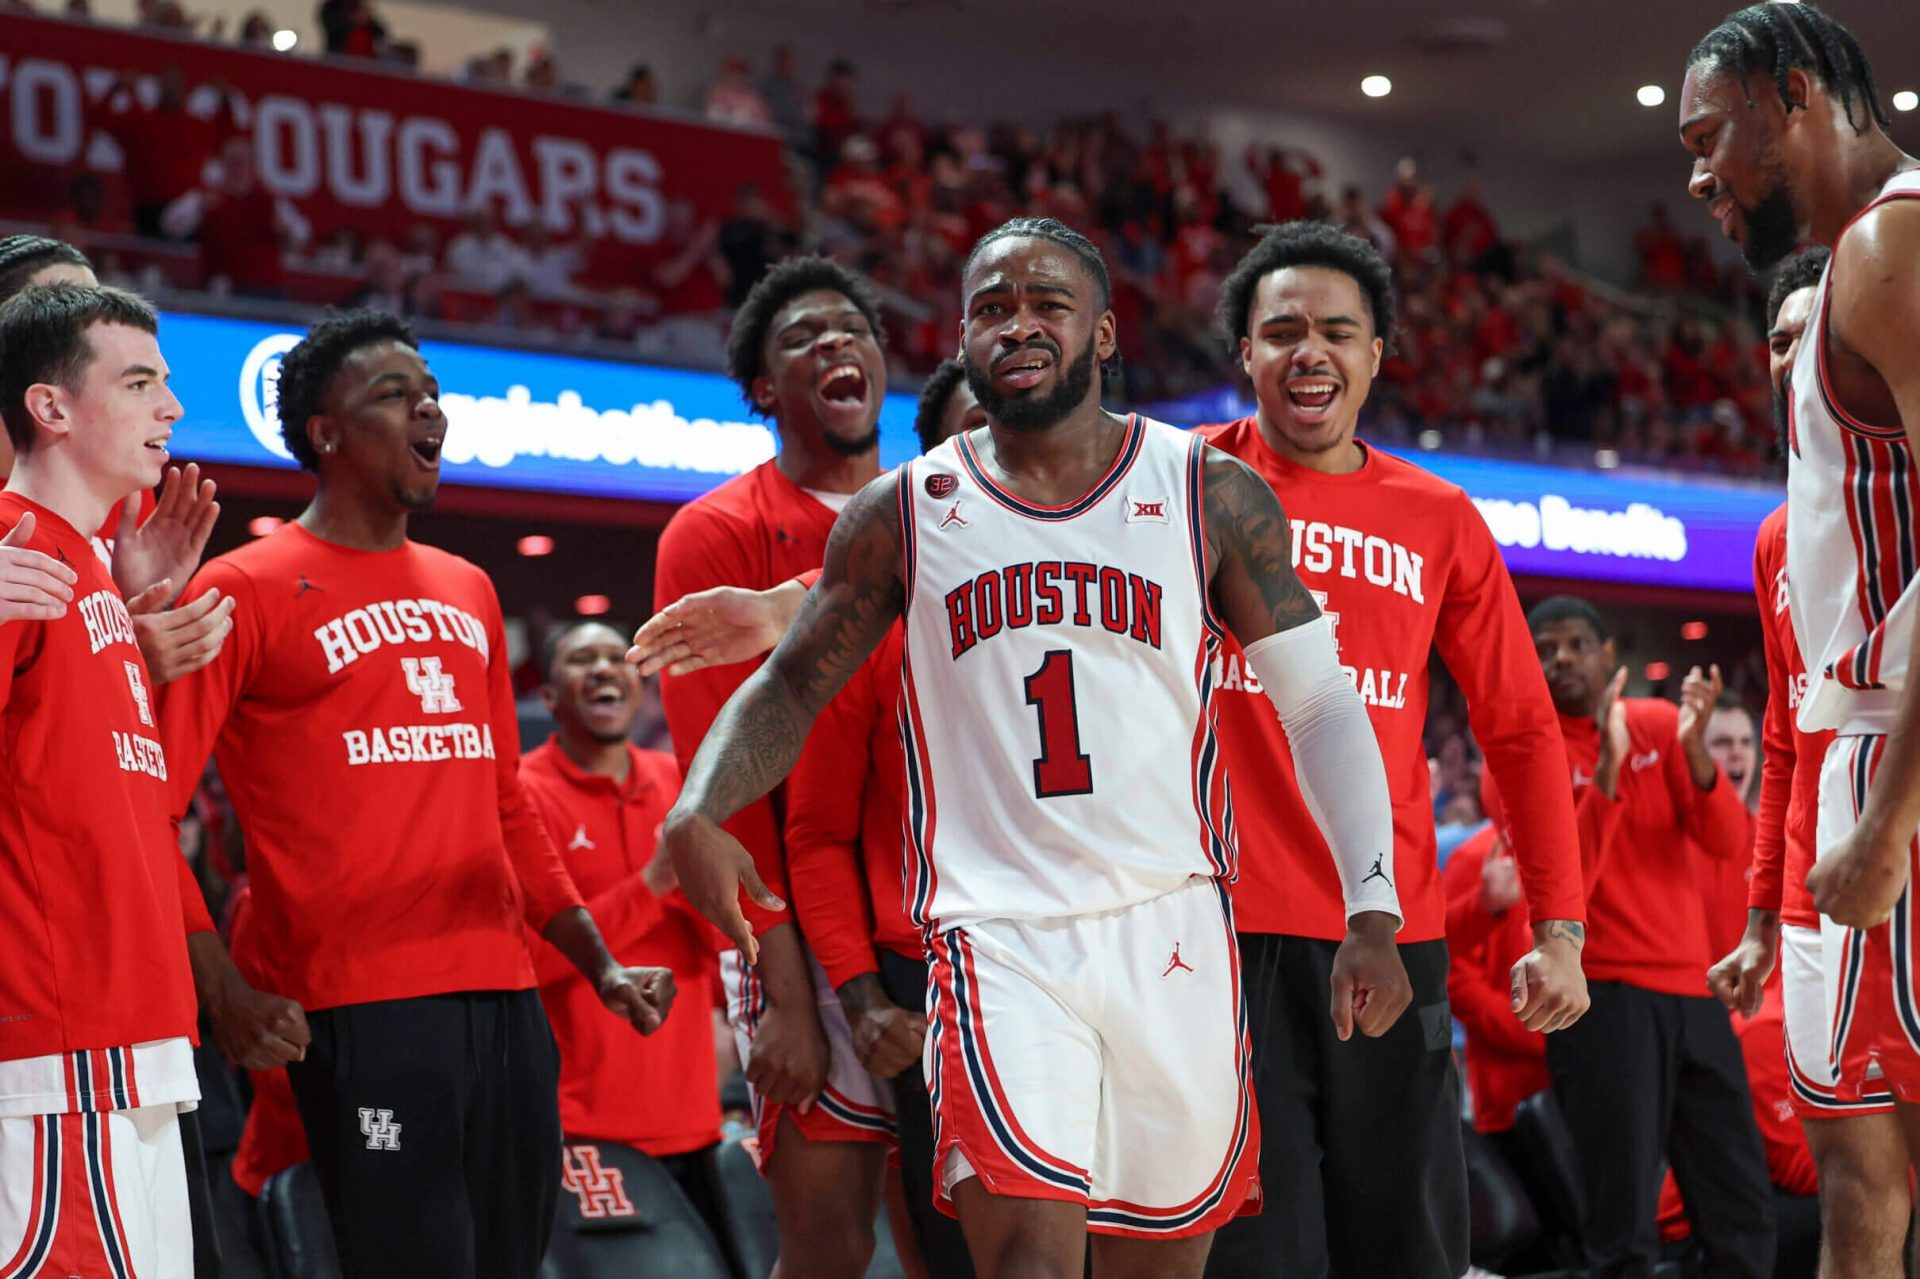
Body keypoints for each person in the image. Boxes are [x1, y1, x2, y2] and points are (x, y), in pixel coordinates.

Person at [660, 216, 1403, 1278]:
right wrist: (696, 806)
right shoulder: (904, 511)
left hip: (1173, 928)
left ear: (1104, 334)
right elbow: (788, 686)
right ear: (962, 338)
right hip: (994, 934)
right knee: (1026, 1265)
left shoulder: (1205, 491)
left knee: (1159, 1268)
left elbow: (1324, 707)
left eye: (1048, 304)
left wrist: (1371, 907)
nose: (1018, 326)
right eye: (991, 309)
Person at [154, 310, 673, 1278]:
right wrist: (219, 985)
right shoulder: (239, 590)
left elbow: (506, 806)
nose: (428, 410)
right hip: (361, 1008)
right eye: (395, 395)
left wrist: (597, 964)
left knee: (512, 1261)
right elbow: (150, 808)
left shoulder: (470, 587)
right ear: (326, 431)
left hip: (507, 1001)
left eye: (430, 393)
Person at [1194, 221, 1588, 1279]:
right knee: (1252, 1257)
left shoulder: (1439, 516)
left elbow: (1517, 723)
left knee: (1407, 1250)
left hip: (1388, 933)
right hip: (1219, 934)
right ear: (1244, 354)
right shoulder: (1177, 483)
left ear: (1378, 353)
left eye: (1337, 331)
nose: (1308, 351)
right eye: (1280, 331)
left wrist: (1561, 925)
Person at [1681, 0, 1920, 1140]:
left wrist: (1886, 822)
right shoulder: (1869, 257)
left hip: (1898, 763)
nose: (1697, 179)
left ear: (1795, 94)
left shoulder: (1889, 245)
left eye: (1708, 139)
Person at [653, 256, 899, 1279]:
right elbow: (725, 803)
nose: (836, 344)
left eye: (853, 328)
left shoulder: (942, 507)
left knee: (958, 1240)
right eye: (803, 337)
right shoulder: (714, 533)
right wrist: (786, 993)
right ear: (761, 389)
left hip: (935, 917)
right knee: (829, 1244)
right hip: (800, 924)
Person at [1708, 242, 1909, 1274]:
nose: (1795, 360)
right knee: (1852, 1188)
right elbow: (1785, 739)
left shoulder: (1905, 490)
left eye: (1815, 336)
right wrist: (1757, 920)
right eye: (1781, 341)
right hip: (1811, 899)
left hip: (1901, 856)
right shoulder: (1776, 535)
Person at [0, 282, 202, 1276]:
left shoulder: (91, 573)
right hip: (60, 1041)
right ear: (51, 407)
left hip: (133, 1039)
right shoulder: (15, 546)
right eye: (138, 382)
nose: (169, 406)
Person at [1525, 594, 1772, 1277]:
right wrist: (1608, 767)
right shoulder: (1523, 755)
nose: (1561, 658)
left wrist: (1695, 752)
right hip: (1600, 1002)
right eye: (1546, 648)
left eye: (1576, 643)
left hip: (1693, 996)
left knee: (1743, 1211)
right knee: (1622, 1228)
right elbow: (1564, 878)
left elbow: (1725, 838)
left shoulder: (1663, 724)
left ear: (1611, 655)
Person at [519, 620, 724, 1246]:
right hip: (579, 1126)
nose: (606, 668)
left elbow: (727, 945)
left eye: (619, 657)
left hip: (696, 1119)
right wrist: (652, 885)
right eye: (583, 659)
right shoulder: (521, 795)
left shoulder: (681, 782)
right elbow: (523, 960)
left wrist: (694, 890)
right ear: (550, 696)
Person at [0, 236, 232, 680]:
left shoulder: (122, 495)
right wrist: (121, 654)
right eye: (63, 304)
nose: (87, 319)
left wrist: (133, 605)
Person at [1698, 691, 1759, 960]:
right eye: (1722, 743)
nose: (1737, 753)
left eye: (1746, 742)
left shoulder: (1772, 844)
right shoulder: (1667, 846)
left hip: (1762, 1000)